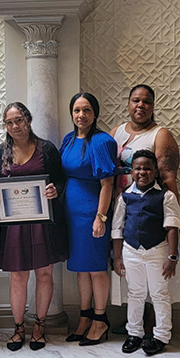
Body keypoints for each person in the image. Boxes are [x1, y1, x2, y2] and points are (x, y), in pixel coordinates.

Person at [0, 102, 68, 351]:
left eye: (20, 120)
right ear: (5, 125)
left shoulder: (47, 149)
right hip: (14, 226)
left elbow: (60, 180)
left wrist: (55, 189)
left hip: (42, 222)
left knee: (44, 274)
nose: (16, 126)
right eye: (10, 122)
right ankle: (18, 328)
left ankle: (40, 325)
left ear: (29, 120)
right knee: (18, 277)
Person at [109, 84, 180, 329]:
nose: (140, 105)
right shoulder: (116, 132)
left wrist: (172, 220)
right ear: (128, 104)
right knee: (131, 268)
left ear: (153, 106)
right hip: (123, 204)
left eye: (146, 102)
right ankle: (134, 322)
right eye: (135, 100)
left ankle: (154, 323)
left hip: (153, 209)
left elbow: (168, 177)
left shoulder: (160, 134)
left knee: (155, 269)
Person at [60, 92, 118, 345]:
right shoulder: (69, 139)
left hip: (92, 212)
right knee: (80, 269)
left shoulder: (102, 141)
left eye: (86, 110)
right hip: (70, 213)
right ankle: (84, 316)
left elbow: (108, 184)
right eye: (76, 110)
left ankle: (100, 318)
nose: (81, 115)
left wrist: (101, 217)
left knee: (96, 268)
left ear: (95, 113)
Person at [112, 150, 180, 356]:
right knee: (135, 293)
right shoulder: (124, 196)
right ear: (131, 171)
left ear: (155, 171)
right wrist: (117, 257)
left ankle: (161, 336)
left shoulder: (165, 196)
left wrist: (172, 257)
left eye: (147, 168)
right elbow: (117, 229)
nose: (142, 172)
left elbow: (172, 227)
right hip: (131, 251)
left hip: (157, 251)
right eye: (138, 168)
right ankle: (134, 333)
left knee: (159, 293)